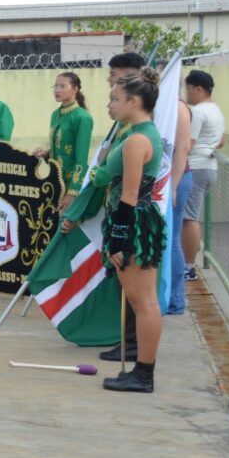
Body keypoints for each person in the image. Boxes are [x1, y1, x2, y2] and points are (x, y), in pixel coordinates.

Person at [91, 69, 165, 392]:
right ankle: (140, 370)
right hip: (134, 220)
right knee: (140, 300)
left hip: (134, 223)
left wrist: (118, 239)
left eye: (116, 99)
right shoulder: (143, 132)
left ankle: (144, 374)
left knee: (143, 301)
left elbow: (130, 194)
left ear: (134, 101)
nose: (112, 105)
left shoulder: (137, 139)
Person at [183, 69, 225, 281]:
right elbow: (222, 139)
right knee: (191, 216)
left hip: (197, 168)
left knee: (189, 218)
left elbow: (187, 144)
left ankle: (188, 267)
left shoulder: (198, 111)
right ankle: (188, 264)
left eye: (188, 88)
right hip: (209, 167)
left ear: (198, 89)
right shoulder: (215, 109)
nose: (186, 93)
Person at [32, 72, 92, 213]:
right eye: (55, 86)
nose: (57, 90)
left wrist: (72, 192)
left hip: (72, 183)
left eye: (62, 86)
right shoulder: (55, 114)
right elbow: (60, 148)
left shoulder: (82, 118)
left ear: (75, 89)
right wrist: (46, 154)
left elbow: (81, 159)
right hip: (56, 180)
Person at [166, 93, 193, 314]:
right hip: (168, 179)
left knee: (172, 240)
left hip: (177, 178)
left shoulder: (178, 107)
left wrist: (173, 186)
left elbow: (183, 148)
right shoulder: (164, 104)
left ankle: (176, 301)